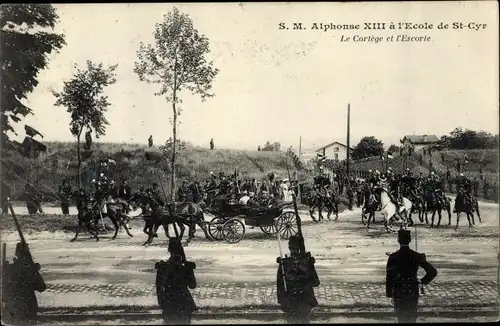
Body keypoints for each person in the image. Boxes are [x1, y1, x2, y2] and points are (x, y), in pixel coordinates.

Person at [386, 229, 437, 323]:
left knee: (401, 318)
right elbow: (432, 272)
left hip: (398, 291)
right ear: (409, 240)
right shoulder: (416, 256)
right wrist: (422, 281)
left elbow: (389, 277)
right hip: (412, 291)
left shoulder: (393, 257)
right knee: (412, 318)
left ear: (398, 240)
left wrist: (389, 295)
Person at [276, 235, 320, 324]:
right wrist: (283, 301)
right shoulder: (285, 264)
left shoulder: (306, 262)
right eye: (291, 248)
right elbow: (280, 284)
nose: (293, 251)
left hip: (302, 300)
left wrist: (311, 266)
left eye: (295, 248)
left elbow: (315, 282)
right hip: (292, 301)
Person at [2, 242, 47, 325]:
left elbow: (4, 292)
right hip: (29, 309)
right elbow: (42, 287)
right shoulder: (30, 269)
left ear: (16, 254)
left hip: (15, 309)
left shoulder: (11, 268)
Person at [155, 238, 197, 325]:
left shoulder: (163, 267)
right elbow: (193, 285)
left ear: (169, 250)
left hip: (169, 304)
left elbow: (159, 288)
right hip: (184, 303)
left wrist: (162, 303)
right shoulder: (186, 267)